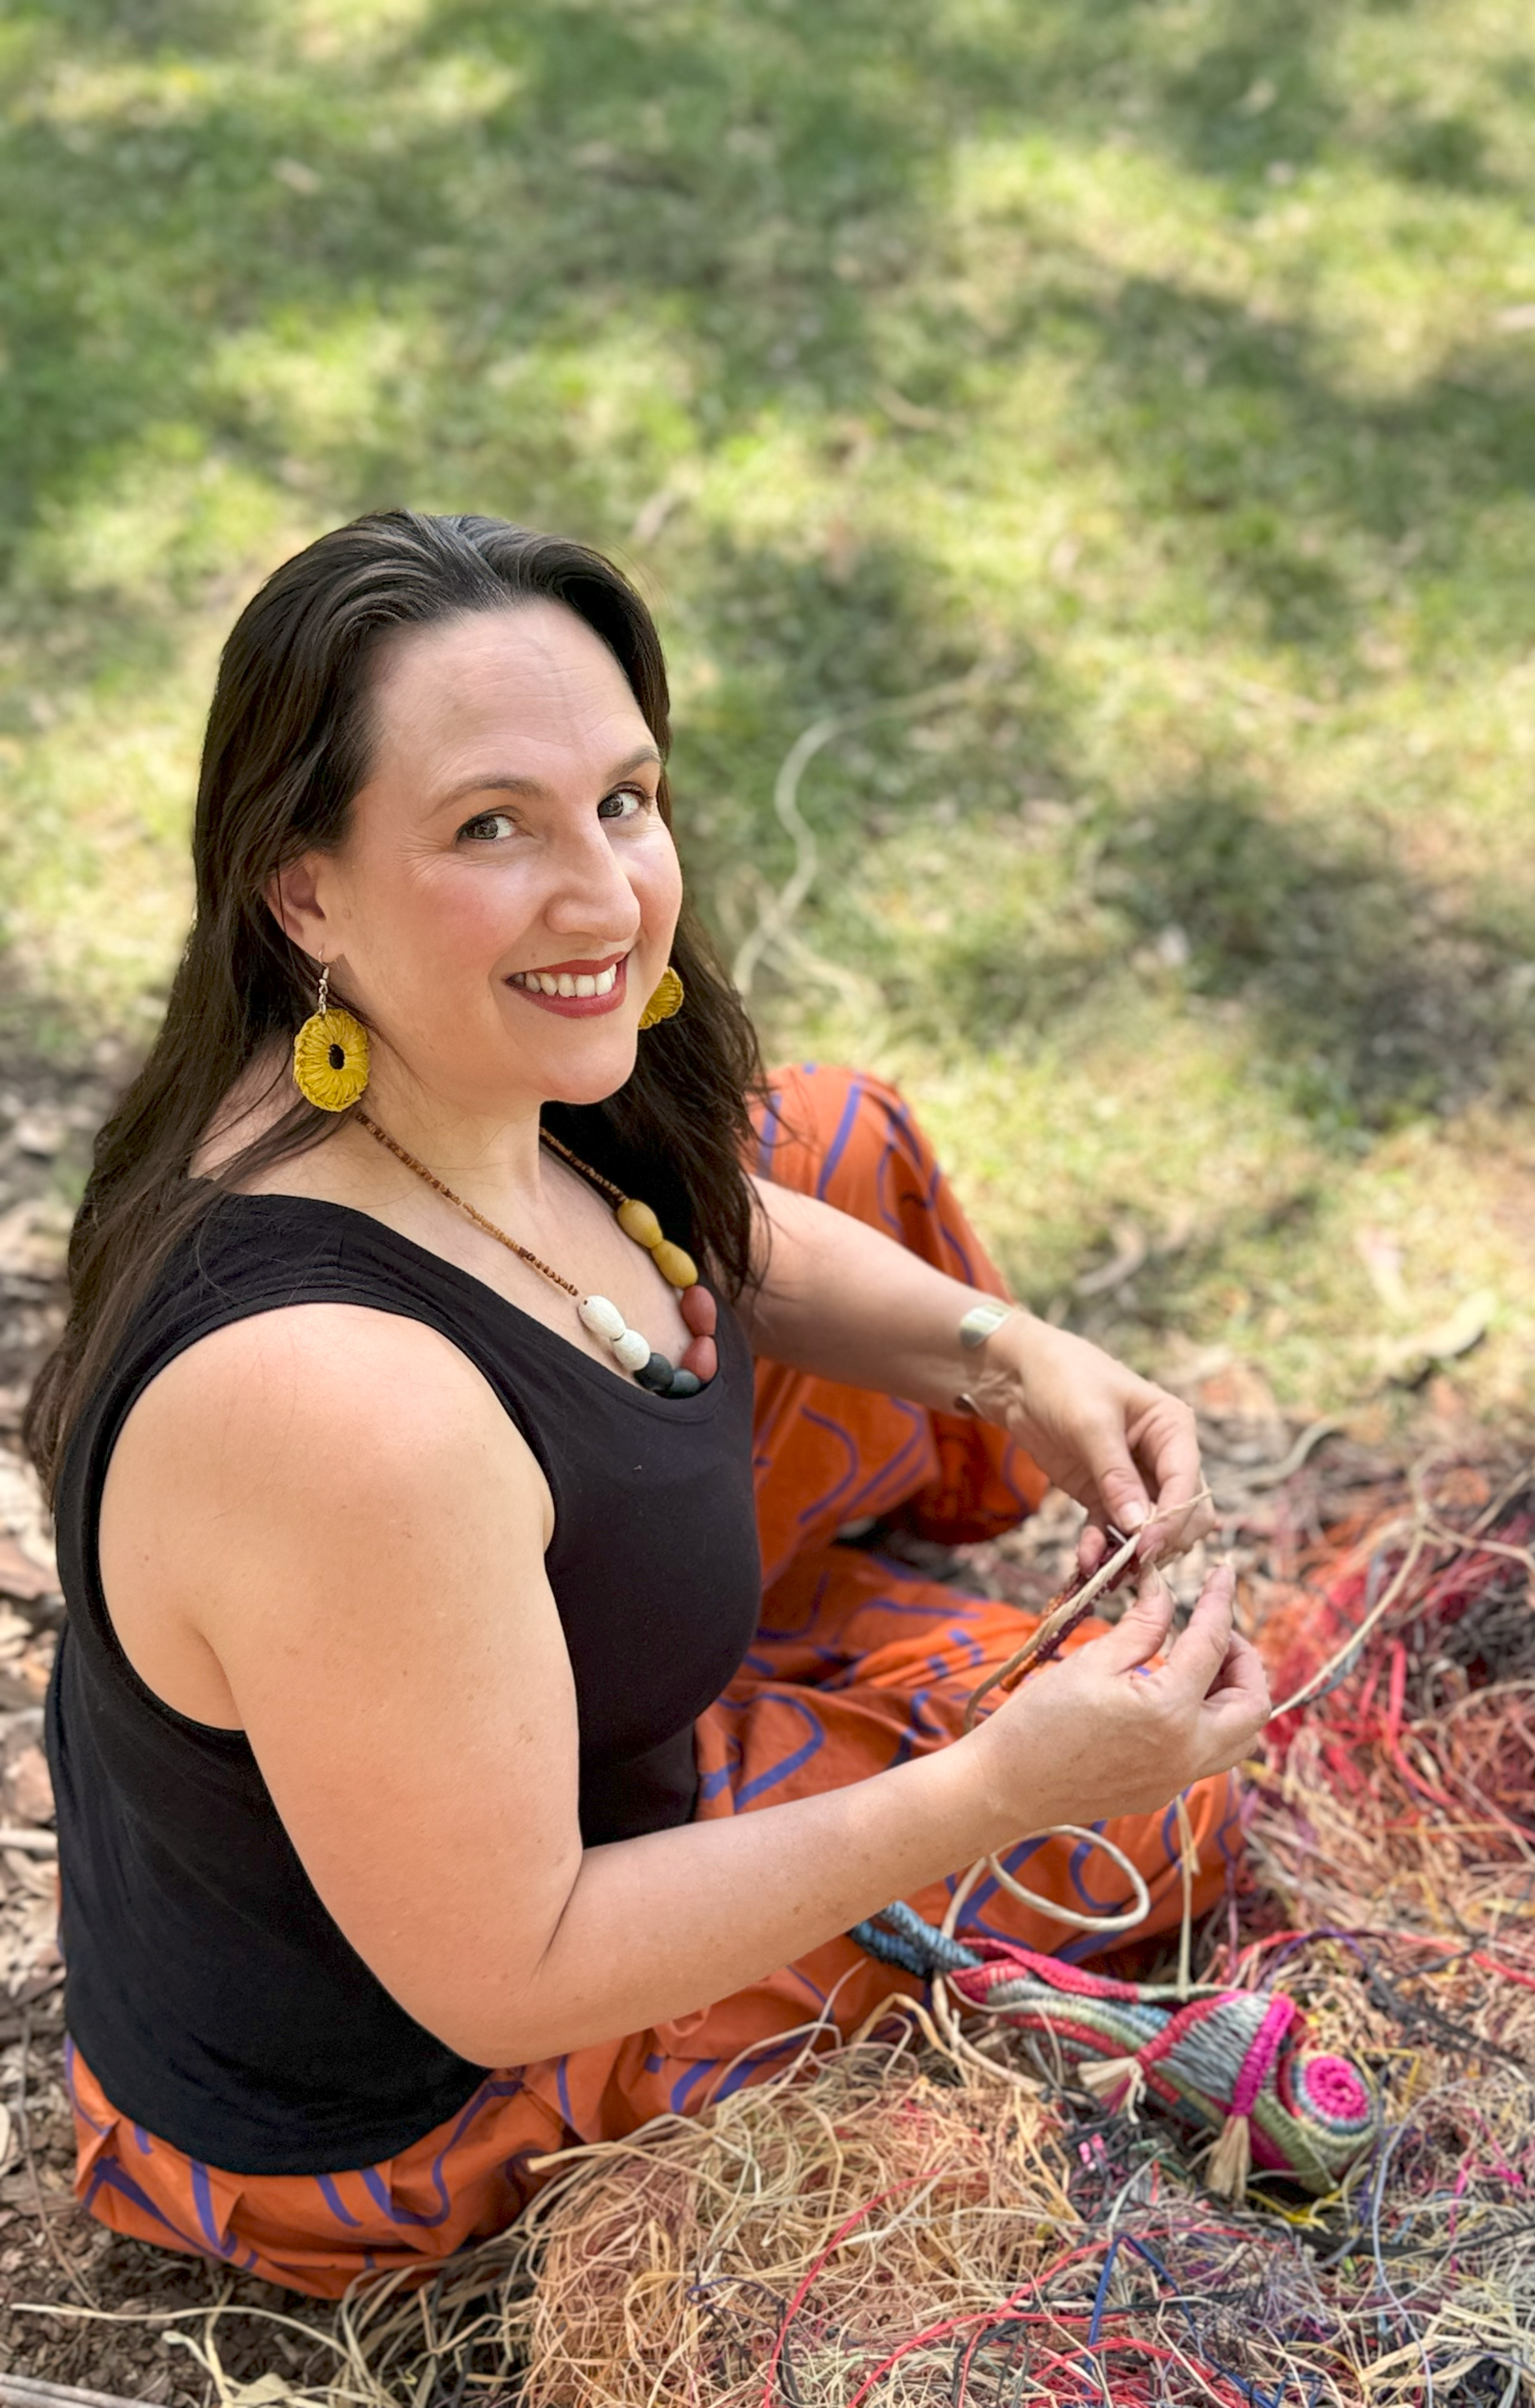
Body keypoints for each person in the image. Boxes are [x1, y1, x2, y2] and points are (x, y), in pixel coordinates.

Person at [24, 510, 1269, 2299]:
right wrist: (1001, 1791)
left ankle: (806, 1634)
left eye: (622, 799)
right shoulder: (344, 1416)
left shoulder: (442, 1058)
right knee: (1156, 1818)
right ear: (306, 891)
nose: (606, 898)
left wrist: (1011, 1354)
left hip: (483, 1708)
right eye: (488, 828)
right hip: (419, 2094)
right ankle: (843, 1685)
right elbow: (507, 1967)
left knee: (828, 1130)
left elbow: (701, 1211)